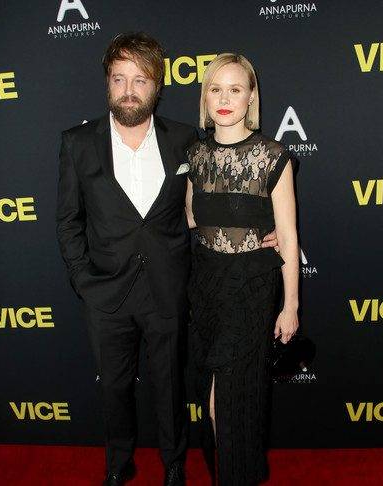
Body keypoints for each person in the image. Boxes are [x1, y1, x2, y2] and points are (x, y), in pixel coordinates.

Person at [56, 32, 278, 485]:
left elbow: (211, 202)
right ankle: (118, 465)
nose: (129, 90)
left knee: (170, 387)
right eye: (119, 79)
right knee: (114, 388)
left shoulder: (184, 140)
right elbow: (68, 221)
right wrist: (84, 281)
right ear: (107, 83)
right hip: (106, 294)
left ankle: (174, 464)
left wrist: (260, 231)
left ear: (157, 86)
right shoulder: (78, 143)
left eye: (140, 79)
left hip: (168, 288)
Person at [185, 53, 299, 485]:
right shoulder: (196, 156)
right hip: (205, 286)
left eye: (235, 89)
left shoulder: (272, 156)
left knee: (228, 401)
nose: (224, 99)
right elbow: (192, 219)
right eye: (215, 89)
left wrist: (291, 306)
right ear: (205, 97)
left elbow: (288, 236)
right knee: (213, 398)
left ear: (251, 96)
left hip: (250, 286)